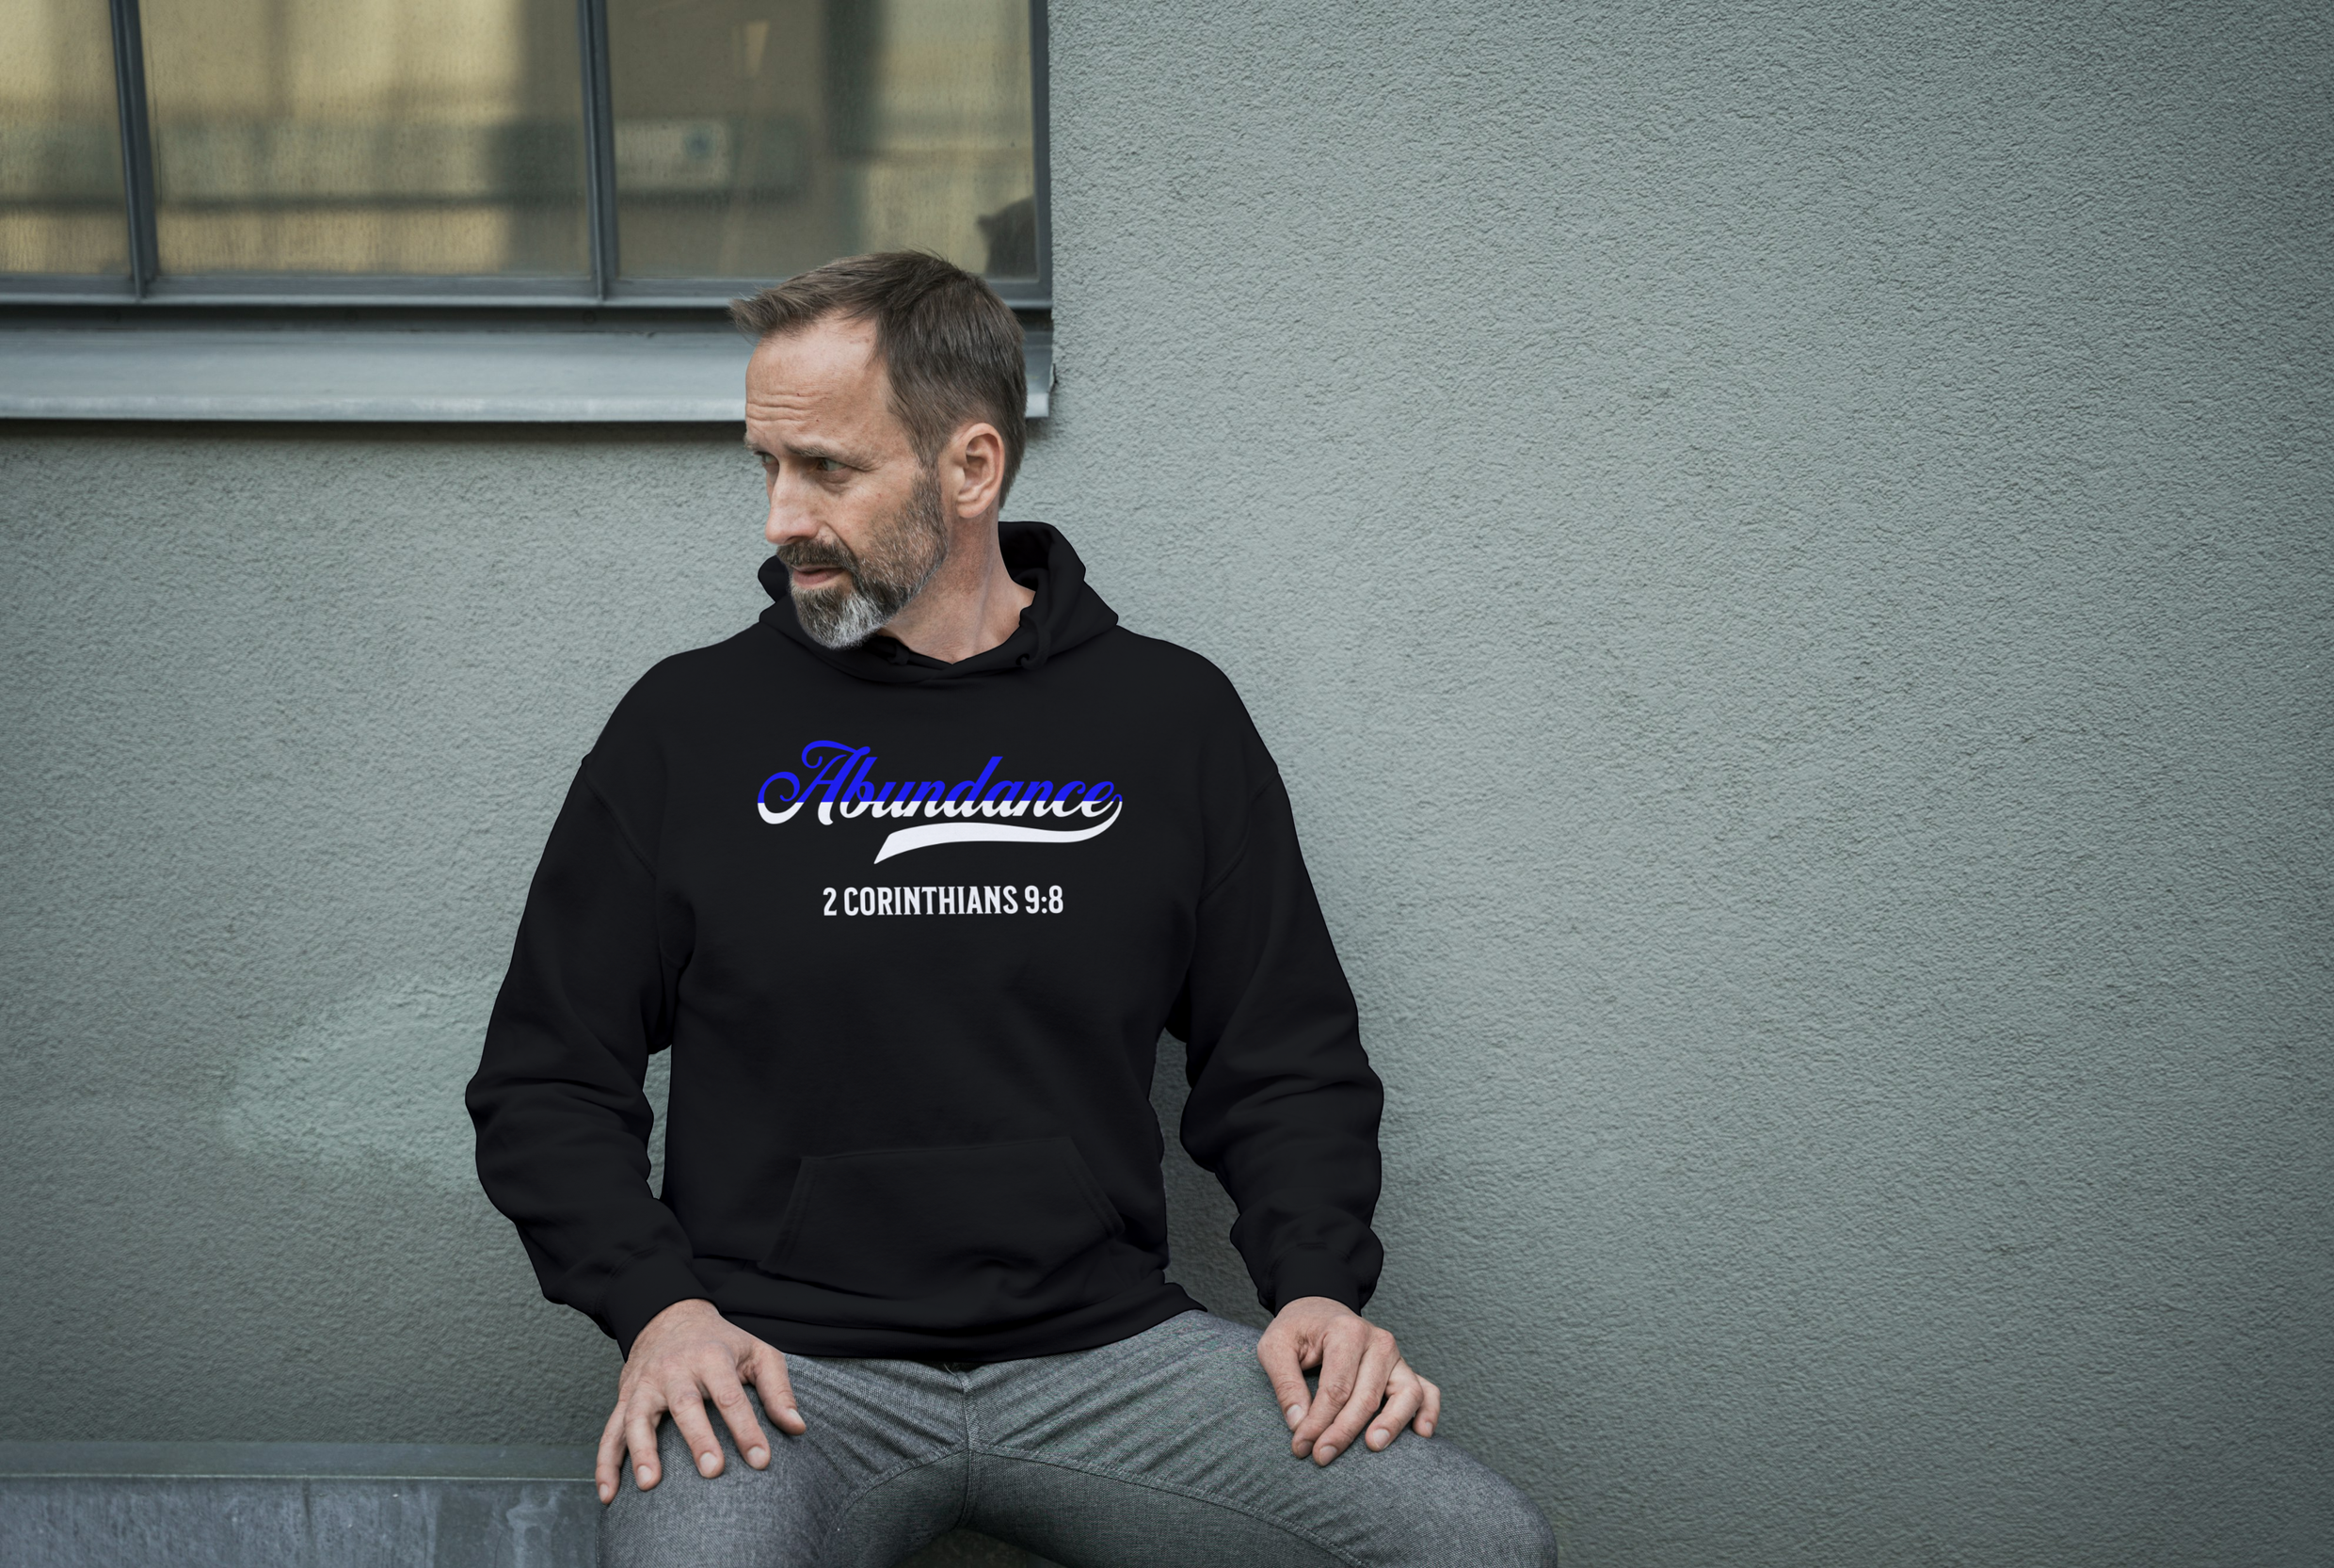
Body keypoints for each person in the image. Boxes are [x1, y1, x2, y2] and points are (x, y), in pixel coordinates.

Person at [466, 251, 1555, 1568]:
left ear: (969, 469)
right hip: (777, 1371)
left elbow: (1286, 1057)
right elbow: (545, 1079)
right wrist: (659, 1312)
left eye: (826, 469)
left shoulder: (1168, 721)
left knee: (1475, 1543)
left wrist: (1317, 1283)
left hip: (1107, 1356)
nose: (776, 515)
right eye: (765, 465)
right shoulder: (687, 730)